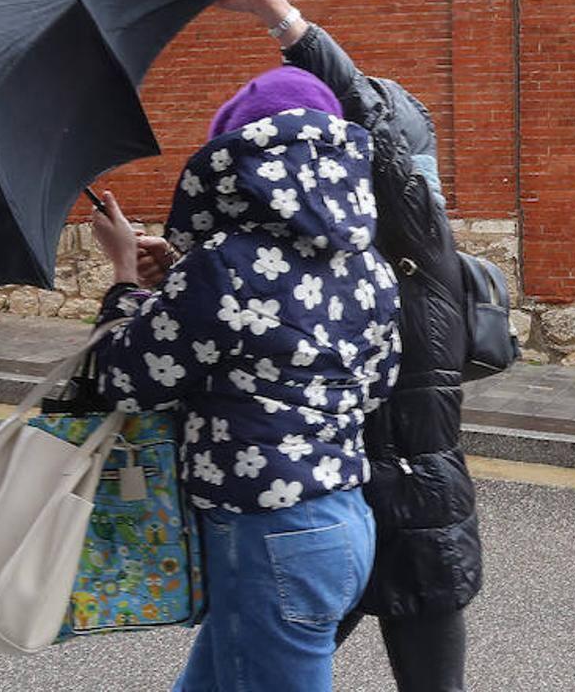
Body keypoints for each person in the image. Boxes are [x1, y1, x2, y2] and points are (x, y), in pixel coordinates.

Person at [139, 0, 482, 692]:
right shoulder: (357, 259)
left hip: (396, 498)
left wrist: (279, 16)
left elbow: (148, 367)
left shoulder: (416, 237)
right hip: (343, 495)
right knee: (254, 662)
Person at [88, 65, 401, 691]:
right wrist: (181, 274)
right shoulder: (368, 265)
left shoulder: (225, 267)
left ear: (237, 166)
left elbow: (123, 378)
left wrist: (126, 275)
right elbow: (375, 381)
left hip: (268, 537)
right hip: (343, 522)